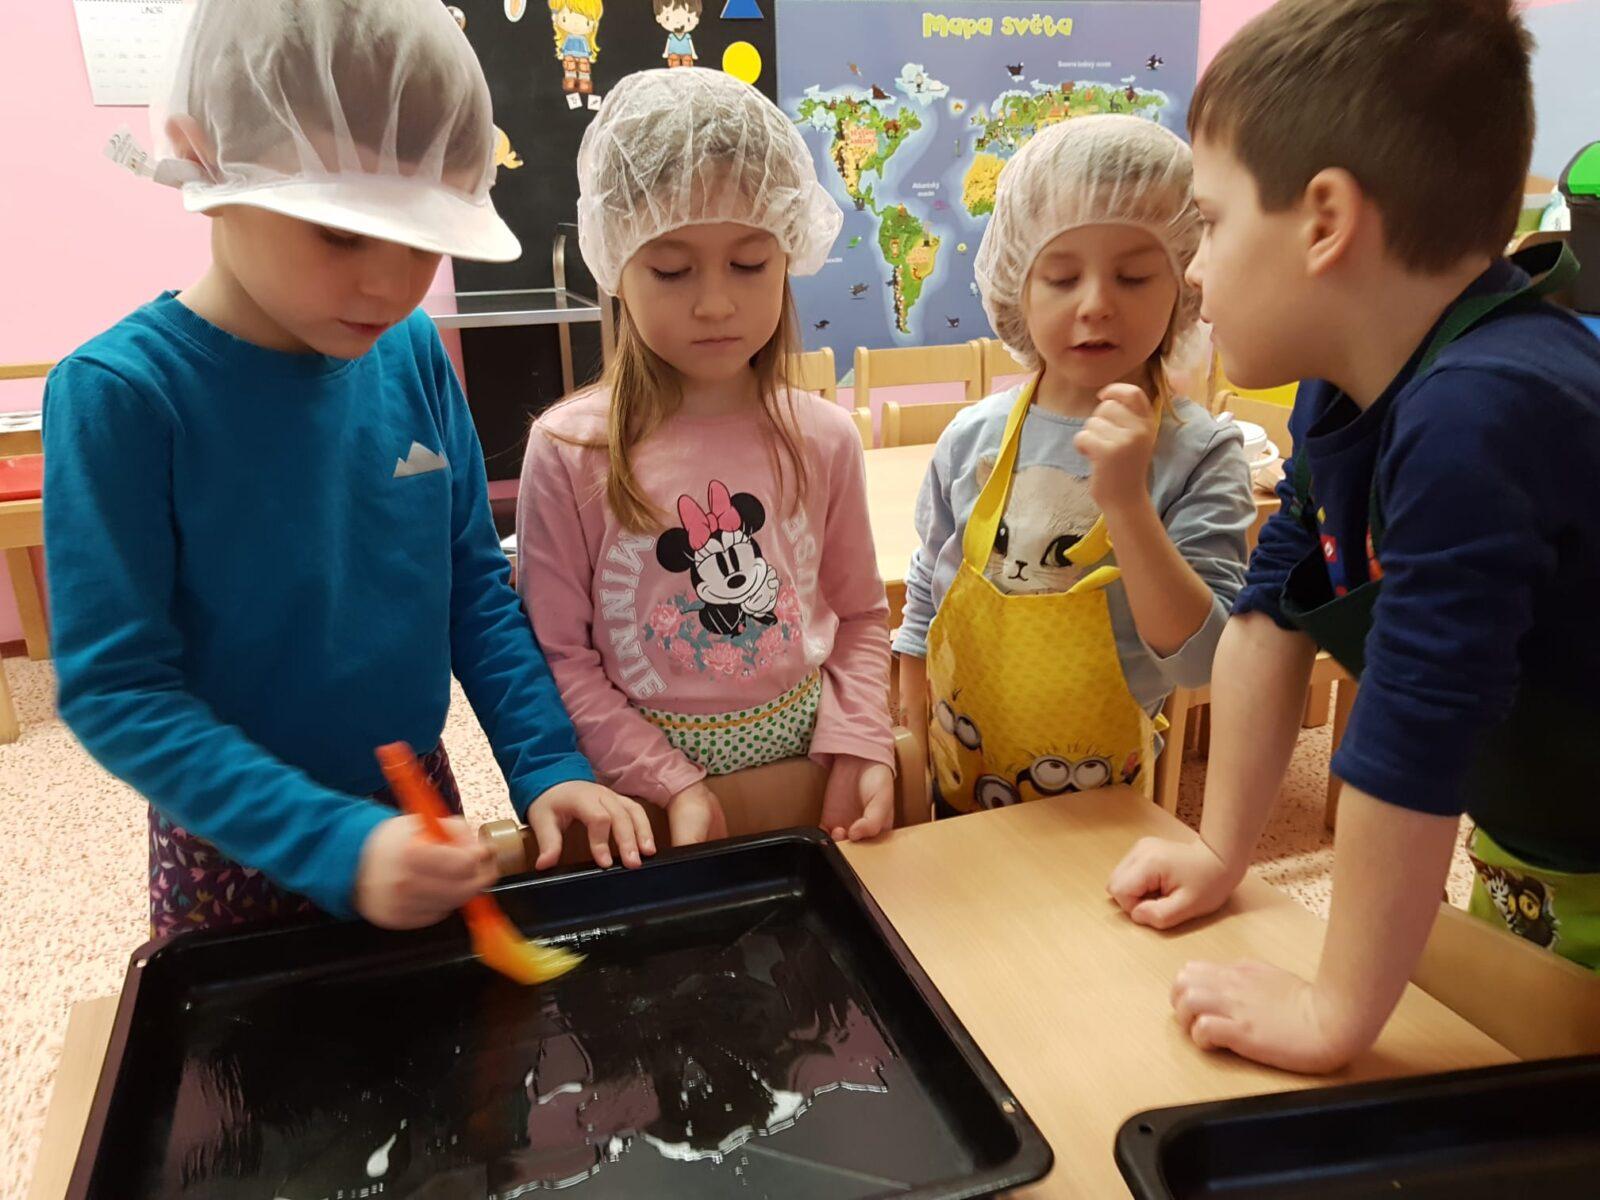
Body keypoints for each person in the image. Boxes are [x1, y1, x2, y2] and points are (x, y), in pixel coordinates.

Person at [44, 0, 650, 939]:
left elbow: (474, 590)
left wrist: (547, 764)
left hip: (417, 806)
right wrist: (336, 845)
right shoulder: (121, 396)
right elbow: (117, 689)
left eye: (423, 236)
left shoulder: (410, 351)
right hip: (236, 839)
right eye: (339, 233)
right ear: (205, 158)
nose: (389, 283)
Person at [1107, 0, 1600, 1073]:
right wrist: (1222, 849)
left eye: (1212, 221)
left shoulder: (1481, 413)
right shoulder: (1343, 391)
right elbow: (1270, 614)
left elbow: (1412, 732)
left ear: (1324, 220)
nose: (1195, 271)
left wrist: (1333, 1011)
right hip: (1536, 850)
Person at [518, 69, 897, 848]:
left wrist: (861, 740)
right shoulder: (568, 451)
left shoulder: (825, 438)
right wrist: (668, 779)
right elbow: (561, 655)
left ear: (788, 256)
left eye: (750, 264)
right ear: (615, 263)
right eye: (671, 269)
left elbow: (861, 615)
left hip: (805, 785)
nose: (716, 302)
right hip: (648, 807)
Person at [896, 115, 1253, 815]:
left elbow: (1202, 661)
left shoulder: (1200, 454)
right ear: (1017, 289)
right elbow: (926, 595)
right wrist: (908, 738)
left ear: (1184, 284)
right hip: (957, 787)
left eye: (1133, 275)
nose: (1096, 304)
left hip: (1101, 808)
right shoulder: (971, 439)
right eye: (1061, 276)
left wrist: (1126, 504)